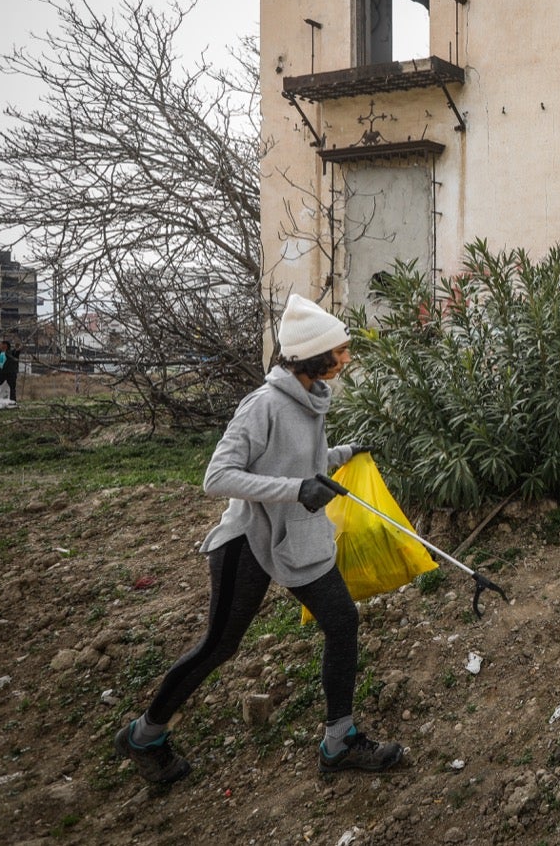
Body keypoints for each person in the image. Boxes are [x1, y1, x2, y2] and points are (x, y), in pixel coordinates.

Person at [114, 294, 399, 785]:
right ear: (313, 355)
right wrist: (297, 490)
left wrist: (341, 454)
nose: (346, 358)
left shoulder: (311, 399)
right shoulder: (262, 405)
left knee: (342, 621)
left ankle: (339, 742)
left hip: (296, 538)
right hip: (246, 542)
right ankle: (143, 735)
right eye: (340, 350)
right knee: (219, 645)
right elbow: (217, 477)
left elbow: (296, 459)